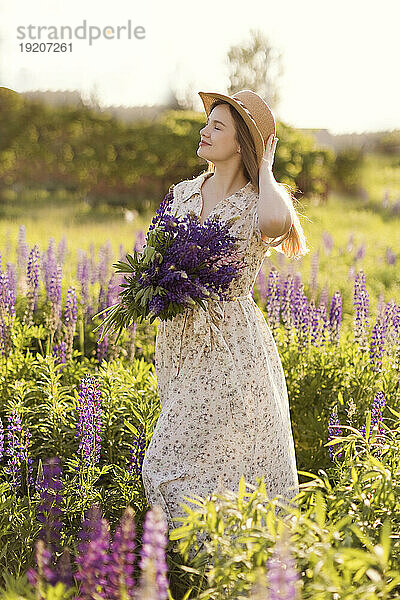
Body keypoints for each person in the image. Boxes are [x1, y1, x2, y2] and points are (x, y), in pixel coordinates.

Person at [141, 89, 309, 537]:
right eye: (207, 122)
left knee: (201, 457)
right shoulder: (181, 194)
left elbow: (276, 225)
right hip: (180, 341)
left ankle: (229, 559)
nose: (204, 130)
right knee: (191, 453)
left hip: (232, 347)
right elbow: (153, 254)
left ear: (242, 144)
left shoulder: (260, 200)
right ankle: (202, 561)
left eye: (218, 126)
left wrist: (268, 170)